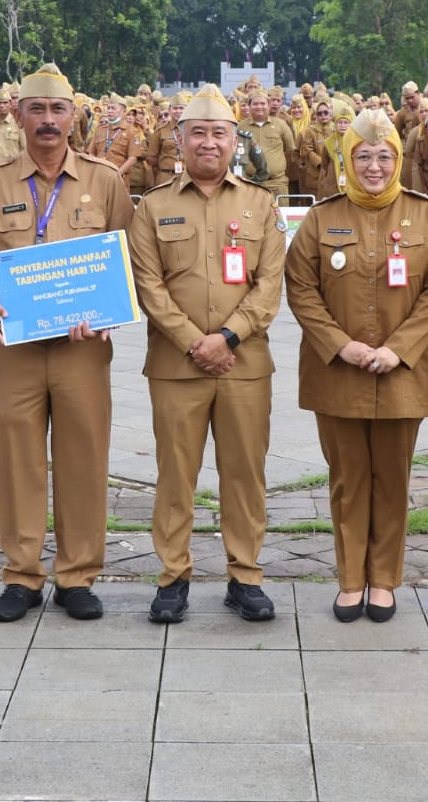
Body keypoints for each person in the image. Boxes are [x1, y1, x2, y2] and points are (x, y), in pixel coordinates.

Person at [0, 64, 134, 623]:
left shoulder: (105, 180)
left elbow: (129, 258)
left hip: (82, 350)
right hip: (16, 349)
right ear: (18, 115)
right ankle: (22, 575)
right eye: (37, 110)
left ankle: (77, 576)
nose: (48, 120)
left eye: (57, 110)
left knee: (84, 459)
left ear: (73, 116)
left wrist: (110, 312)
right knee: (16, 462)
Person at [286, 109, 428, 622]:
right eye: (363, 156)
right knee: (348, 479)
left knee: (392, 480)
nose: (375, 166)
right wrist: (341, 345)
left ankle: (383, 579)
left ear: (398, 159)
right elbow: (301, 288)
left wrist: (397, 348)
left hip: (403, 372)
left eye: (384, 156)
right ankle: (350, 579)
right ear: (347, 160)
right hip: (338, 371)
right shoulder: (321, 217)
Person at [128, 90, 285, 624]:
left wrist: (229, 338)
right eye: (198, 132)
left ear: (234, 141)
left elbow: (270, 286)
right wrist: (196, 341)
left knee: (245, 474)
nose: (209, 142)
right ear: (181, 139)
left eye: (220, 133)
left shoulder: (261, 204)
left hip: (245, 366)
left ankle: (246, 576)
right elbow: (148, 286)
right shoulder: (153, 206)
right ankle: (173, 575)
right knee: (175, 476)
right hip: (177, 367)